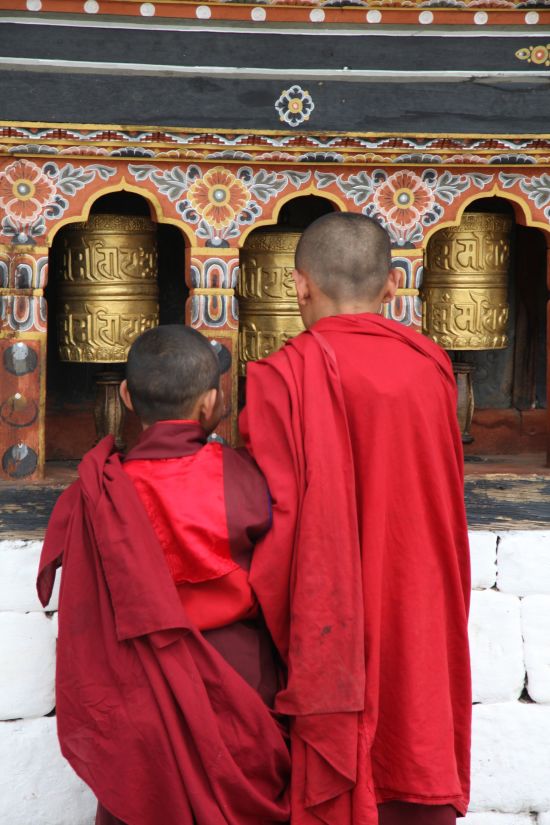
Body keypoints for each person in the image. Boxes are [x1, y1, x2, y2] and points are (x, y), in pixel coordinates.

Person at [239, 213, 471, 825]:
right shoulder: (431, 366)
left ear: (299, 285)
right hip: (418, 593)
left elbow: (273, 517)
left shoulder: (279, 377)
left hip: (325, 611)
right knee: (413, 728)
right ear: (393, 284)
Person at [37, 325, 290, 825]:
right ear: (212, 403)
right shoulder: (244, 479)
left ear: (127, 397)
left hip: (136, 692)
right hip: (237, 683)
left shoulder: (103, 490)